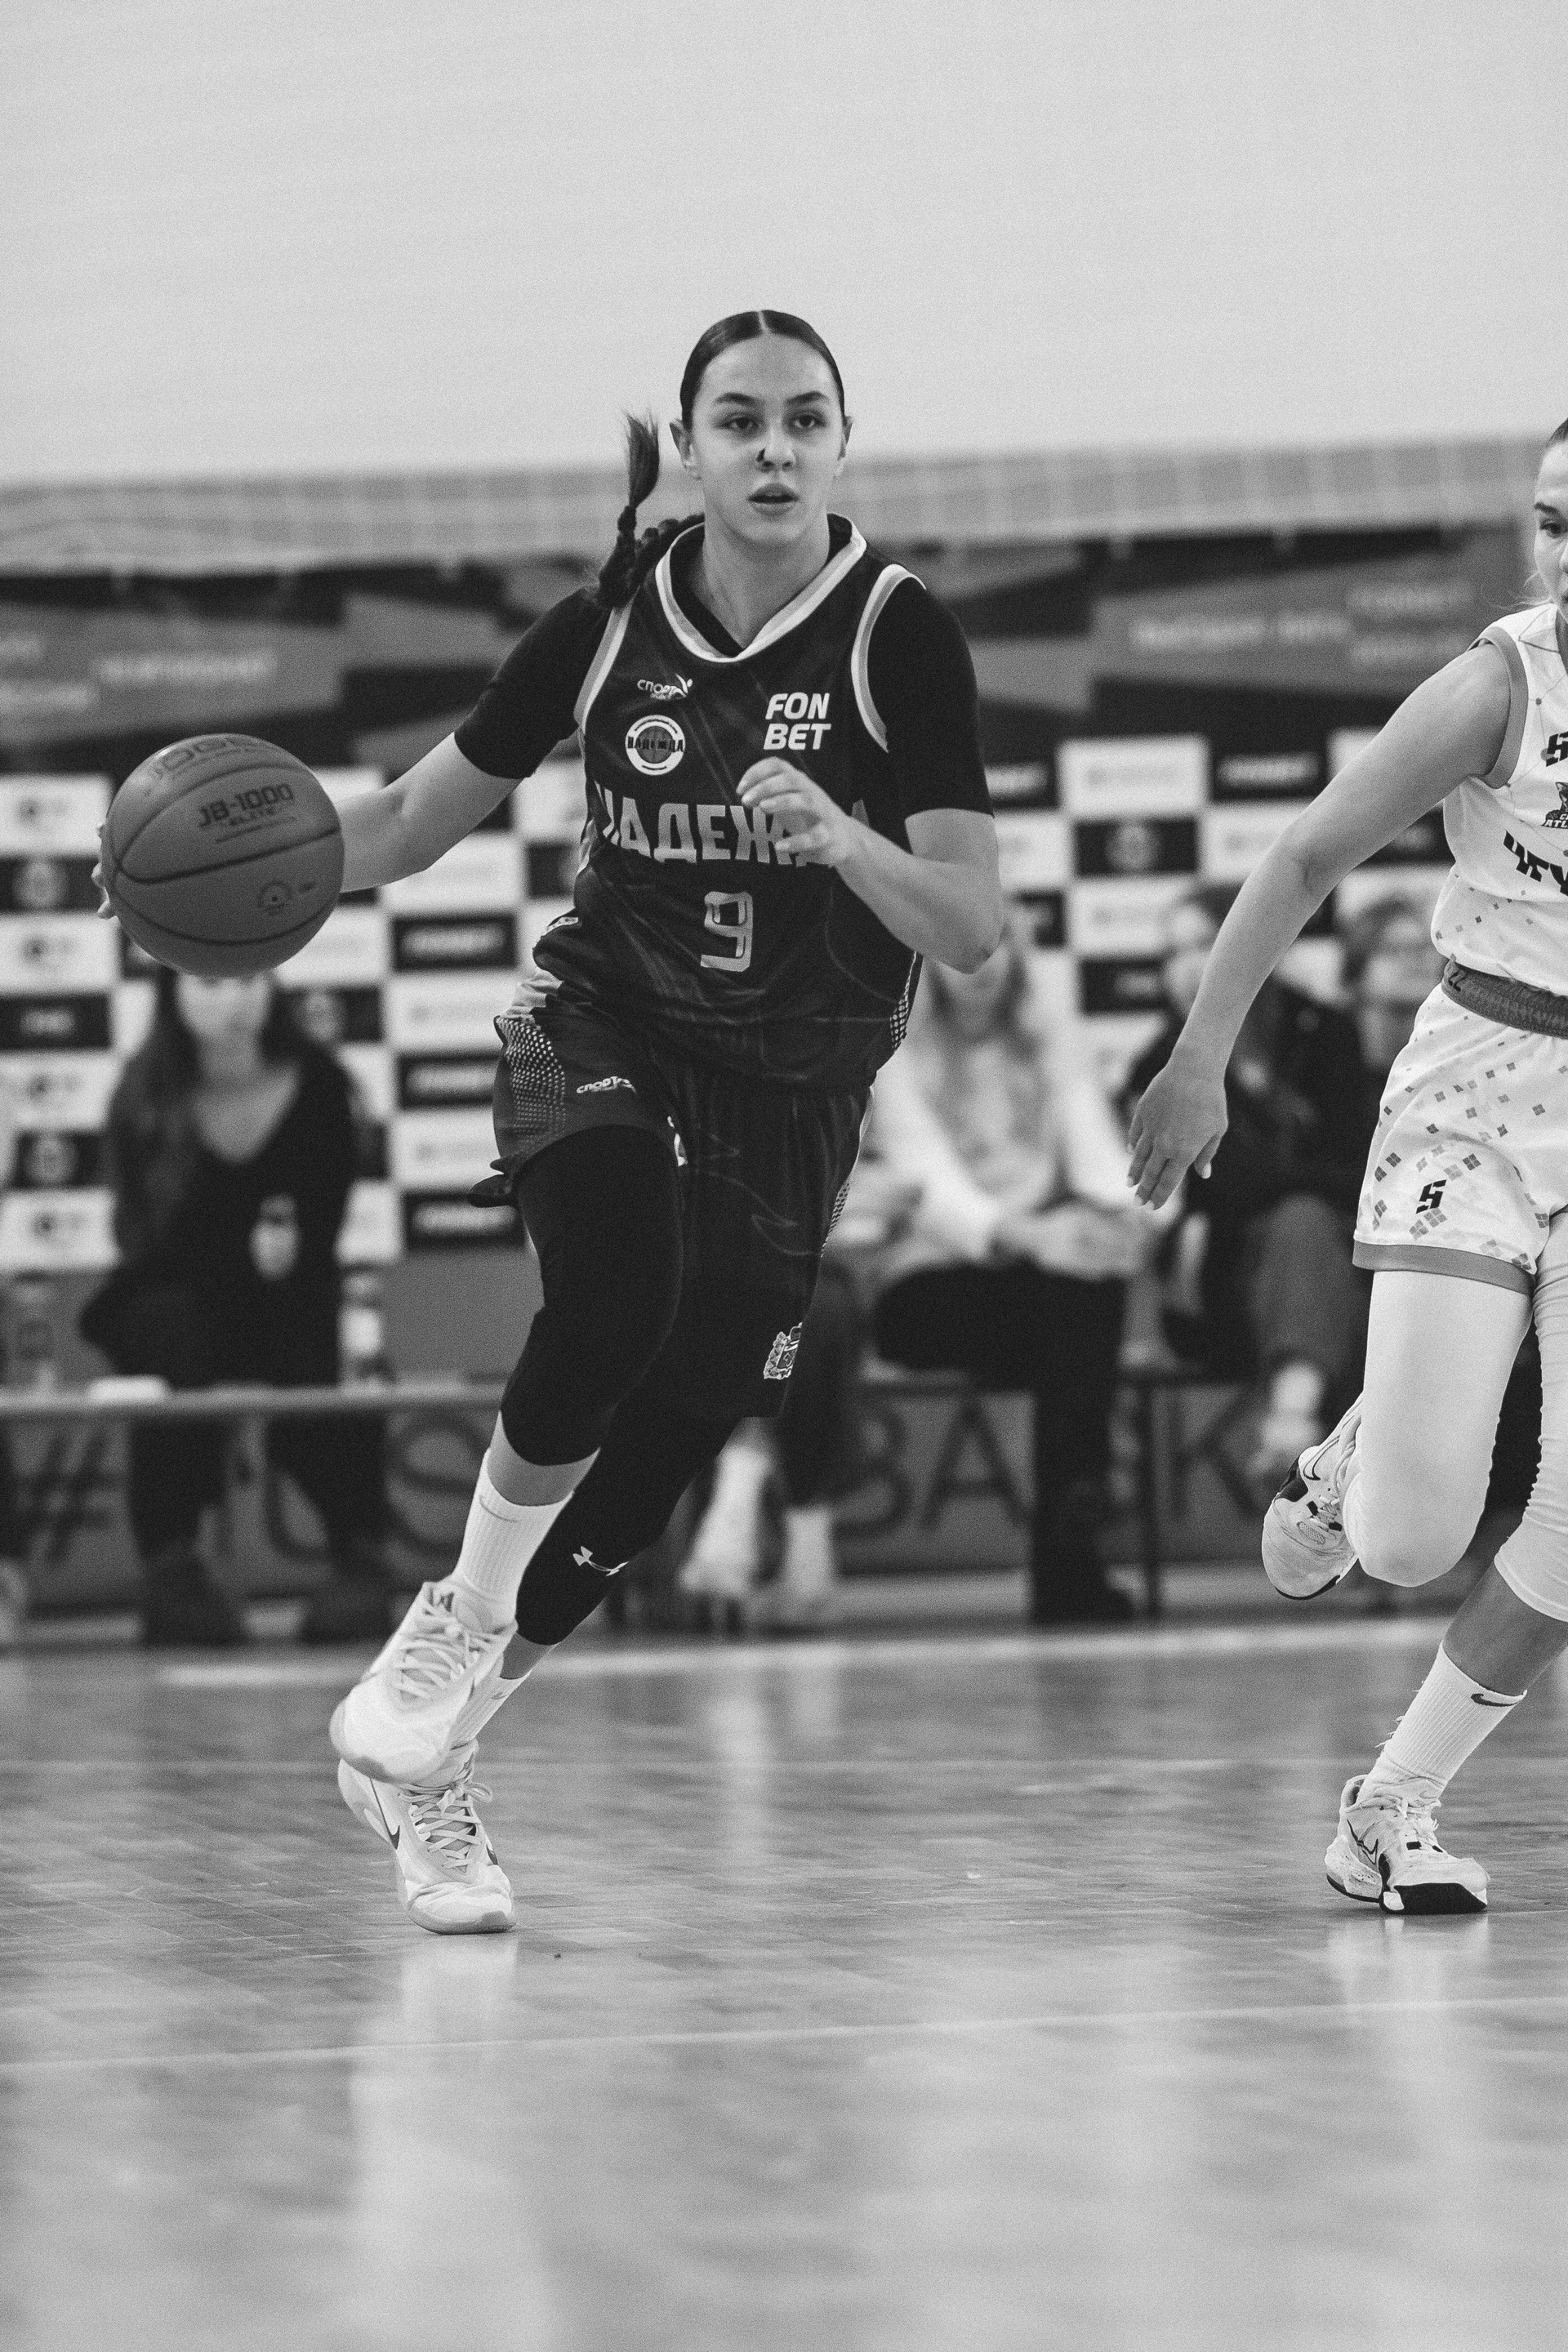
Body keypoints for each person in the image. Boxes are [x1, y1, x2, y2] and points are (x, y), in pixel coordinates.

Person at [318, 310, 1001, 1932]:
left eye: (806, 418)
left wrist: (843, 838)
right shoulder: (607, 624)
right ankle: (454, 1621)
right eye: (741, 419)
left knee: (672, 1442)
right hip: (606, 1018)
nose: (775, 448)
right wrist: (245, 882)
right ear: (690, 449)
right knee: (616, 1294)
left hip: (797, 1081)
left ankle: (435, 1763)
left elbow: (972, 927)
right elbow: (407, 823)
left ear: (844, 443)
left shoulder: (898, 634)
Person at [1129, 415, 1568, 1915]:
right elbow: (1307, 857)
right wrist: (1200, 1060)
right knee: (1410, 1537)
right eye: (1551, 522)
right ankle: (1354, 1456)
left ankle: (1392, 1807)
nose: (1564, 553)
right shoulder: (1497, 687)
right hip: (1481, 1093)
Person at [82, 967, 391, 1647]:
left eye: (250, 979)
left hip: (289, 1296)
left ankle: (360, 1554)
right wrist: (233, 1256)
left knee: (329, 1333)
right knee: (171, 1330)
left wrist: (287, 1255)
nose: (235, 1000)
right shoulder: (144, 1093)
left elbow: (324, 1226)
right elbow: (142, 1239)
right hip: (178, 1298)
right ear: (173, 993)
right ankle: (171, 1565)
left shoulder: (319, 1083)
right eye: (211, 982)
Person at [1125, 884, 1371, 1490]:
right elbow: (1212, 1194)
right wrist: (1294, 1183)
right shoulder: (1159, 1067)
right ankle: (1296, 1423)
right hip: (1225, 1281)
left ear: (1252, 943)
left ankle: (1295, 1426)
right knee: (1302, 1220)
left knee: (1304, 1223)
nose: (1188, 967)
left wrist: (1272, 1182)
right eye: (1172, 952)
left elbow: (1364, 1175)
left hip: (1346, 1261)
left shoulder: (1327, 1032)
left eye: (1205, 945)